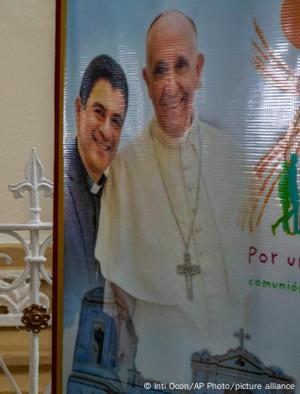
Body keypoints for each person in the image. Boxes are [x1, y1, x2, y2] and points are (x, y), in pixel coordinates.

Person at [95, 10, 246, 383]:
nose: (170, 85)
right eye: (160, 70)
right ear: (146, 80)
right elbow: (118, 299)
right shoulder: (126, 169)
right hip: (160, 370)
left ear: (199, 69)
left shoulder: (231, 157)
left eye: (181, 67)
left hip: (235, 366)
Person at [62, 55, 129, 379]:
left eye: (116, 120)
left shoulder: (118, 194)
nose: (106, 131)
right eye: (99, 113)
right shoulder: (56, 188)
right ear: (78, 110)